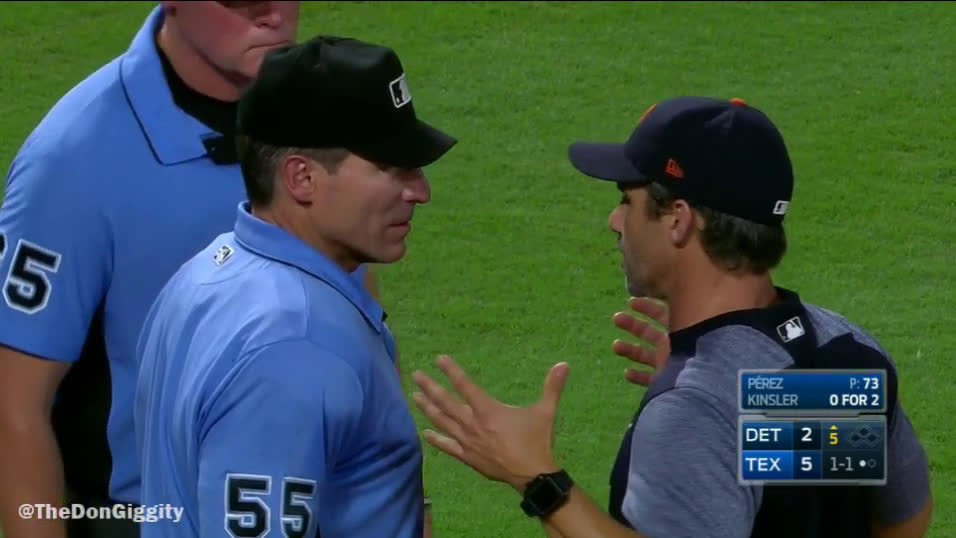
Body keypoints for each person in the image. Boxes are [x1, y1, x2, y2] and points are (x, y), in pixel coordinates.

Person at [410, 96, 933, 538]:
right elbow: (904, 520)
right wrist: (713, 385)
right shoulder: (837, 347)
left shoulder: (695, 408)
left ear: (678, 220)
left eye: (626, 200)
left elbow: (722, 429)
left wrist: (539, 479)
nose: (614, 221)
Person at [0, 3, 389, 538]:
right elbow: (14, 404)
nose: (272, 15)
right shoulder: (76, 160)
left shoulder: (322, 113)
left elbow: (360, 338)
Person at [133, 35, 455, 538]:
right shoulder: (294, 345)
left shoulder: (206, 273)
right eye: (391, 168)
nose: (421, 190)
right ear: (301, 178)